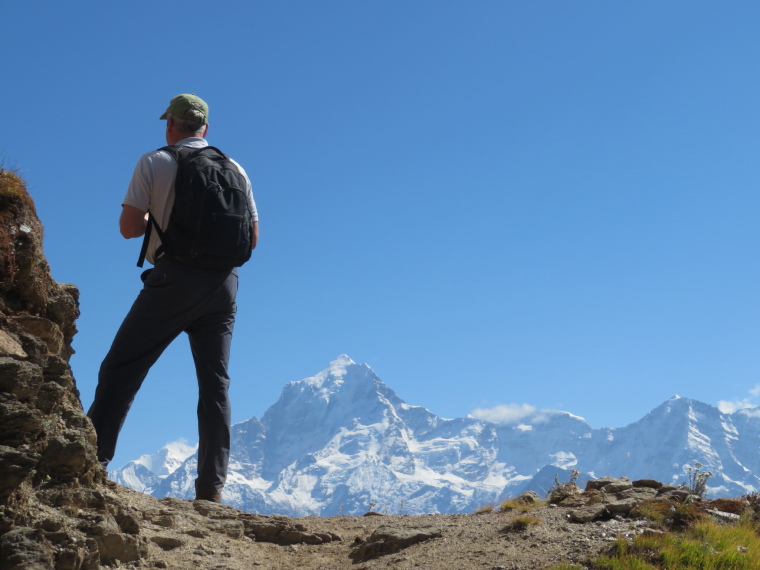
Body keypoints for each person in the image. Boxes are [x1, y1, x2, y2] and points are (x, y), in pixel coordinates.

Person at [87, 94, 258, 502]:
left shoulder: (155, 161)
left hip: (175, 278)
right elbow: (252, 238)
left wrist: (156, 215)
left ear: (170, 125)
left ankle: (89, 463)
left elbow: (130, 228)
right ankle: (210, 492)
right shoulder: (236, 168)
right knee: (215, 386)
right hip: (224, 285)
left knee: (122, 369)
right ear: (205, 129)